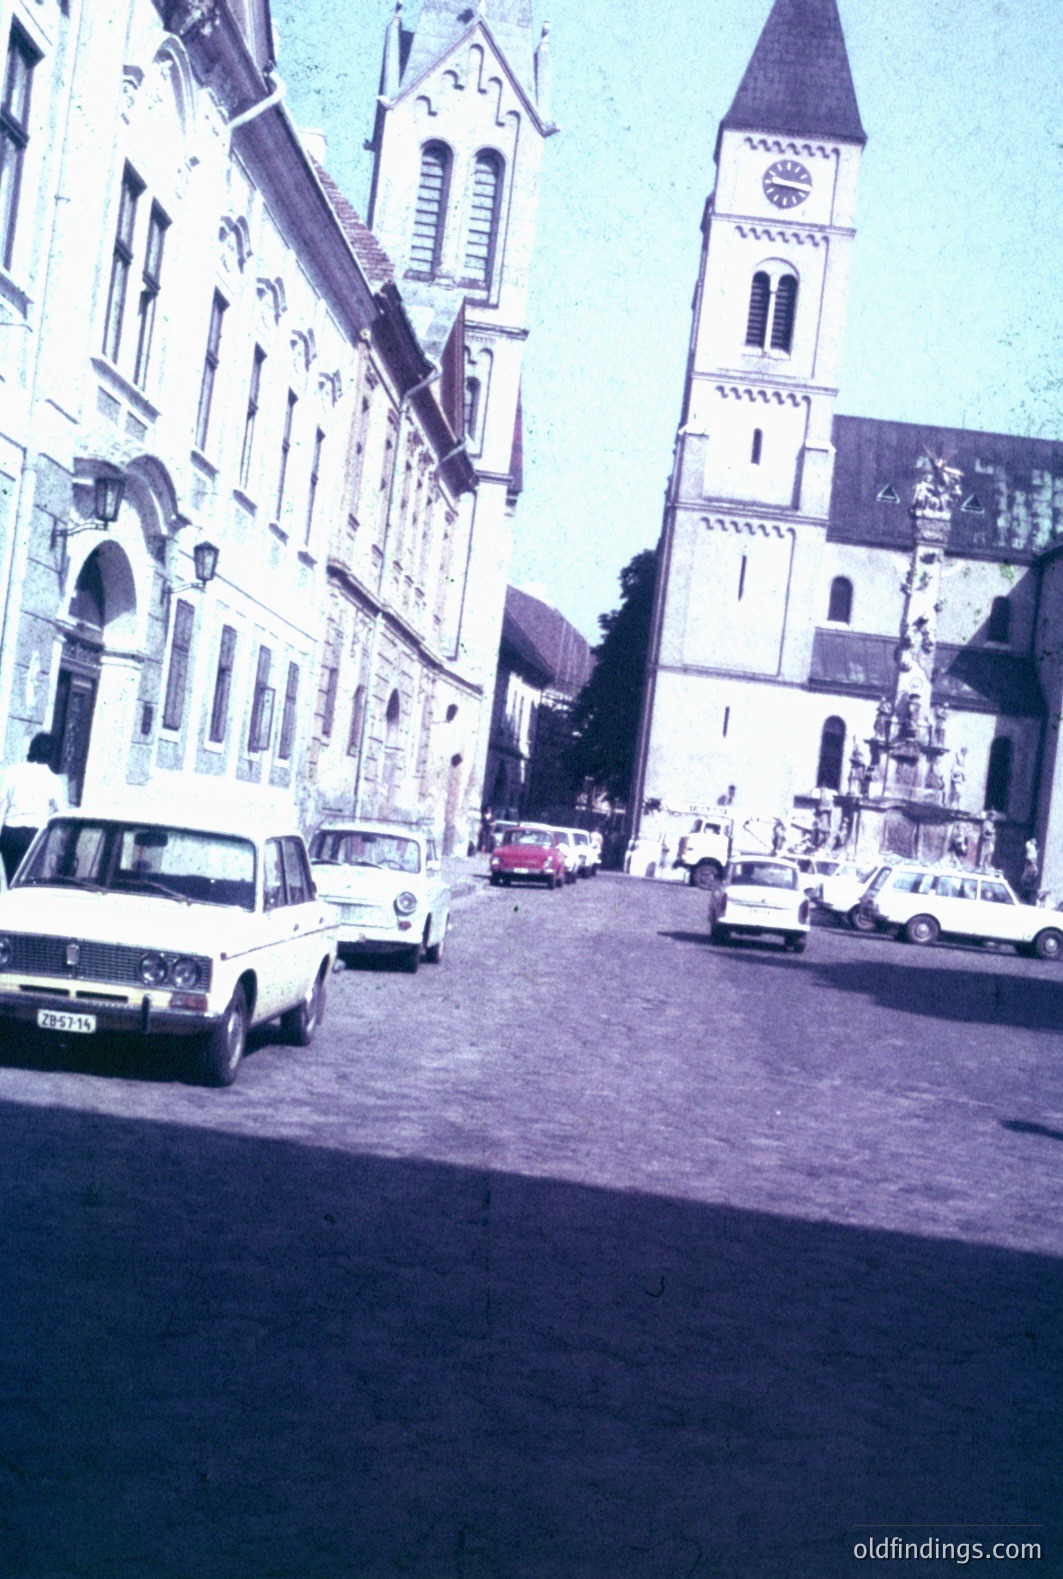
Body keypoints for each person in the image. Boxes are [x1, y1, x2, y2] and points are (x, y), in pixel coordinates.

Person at [0, 733, 67, 882]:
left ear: (32, 749)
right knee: (29, 881)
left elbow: (2, 803)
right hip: (35, 834)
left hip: (10, 832)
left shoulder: (12, 772)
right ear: (51, 754)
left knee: (12, 878)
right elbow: (61, 811)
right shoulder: (53, 780)